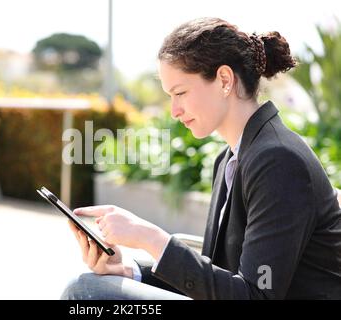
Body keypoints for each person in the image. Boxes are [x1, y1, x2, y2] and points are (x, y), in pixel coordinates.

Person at [61, 17, 341, 300]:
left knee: (86, 291)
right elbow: (218, 283)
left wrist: (152, 239)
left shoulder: (279, 161)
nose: (174, 111)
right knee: (94, 283)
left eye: (180, 93)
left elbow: (257, 295)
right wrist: (129, 272)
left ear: (224, 80)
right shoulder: (229, 160)